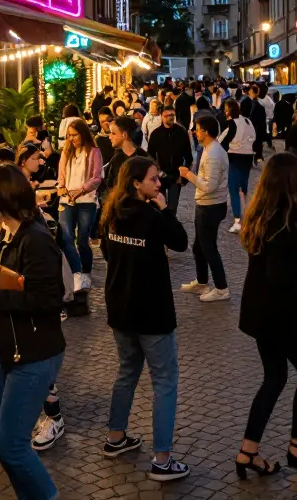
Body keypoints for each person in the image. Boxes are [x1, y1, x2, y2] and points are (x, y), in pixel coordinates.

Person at [0, 165, 66, 500]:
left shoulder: (36, 239)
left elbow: (46, 299)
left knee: (11, 445)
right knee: (7, 444)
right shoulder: (12, 235)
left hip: (34, 352)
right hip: (13, 349)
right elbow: (18, 279)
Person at [235, 152, 297, 480]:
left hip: (260, 313)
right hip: (281, 315)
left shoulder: (261, 214)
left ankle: (249, 451)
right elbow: (281, 276)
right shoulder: (285, 223)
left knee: (275, 379)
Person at [99, 157, 192, 482]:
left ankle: (116, 437)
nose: (159, 183)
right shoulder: (153, 217)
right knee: (165, 379)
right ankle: (162, 459)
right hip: (152, 312)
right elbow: (181, 242)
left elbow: (108, 254)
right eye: (154, 179)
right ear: (137, 183)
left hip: (120, 309)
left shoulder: (111, 213)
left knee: (127, 371)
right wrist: (165, 208)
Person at [179, 116, 231, 302]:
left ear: (206, 132)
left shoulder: (213, 155)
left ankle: (221, 288)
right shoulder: (210, 150)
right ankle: (202, 282)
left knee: (208, 248)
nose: (195, 132)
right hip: (206, 205)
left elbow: (209, 186)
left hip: (210, 207)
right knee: (199, 247)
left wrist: (188, 175)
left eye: (198, 129)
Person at [57, 119, 104, 292]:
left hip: (87, 201)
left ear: (83, 134)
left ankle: (86, 271)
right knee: (66, 236)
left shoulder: (93, 152)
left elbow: (97, 177)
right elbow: (61, 174)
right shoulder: (66, 152)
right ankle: (77, 272)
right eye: (69, 135)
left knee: (83, 239)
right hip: (67, 201)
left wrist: (82, 190)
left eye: (74, 135)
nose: (71, 138)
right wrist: (62, 188)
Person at [218, 99, 256, 234]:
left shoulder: (231, 124)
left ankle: (238, 220)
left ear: (227, 110)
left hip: (235, 157)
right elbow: (254, 137)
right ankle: (245, 214)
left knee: (234, 188)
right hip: (248, 157)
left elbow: (220, 142)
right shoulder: (247, 121)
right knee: (243, 187)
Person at [146, 105, 193, 215]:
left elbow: (189, 157)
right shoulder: (156, 134)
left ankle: (170, 229)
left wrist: (183, 177)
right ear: (162, 116)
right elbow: (150, 156)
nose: (170, 118)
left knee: (172, 209)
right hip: (159, 176)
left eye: (172, 115)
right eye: (167, 116)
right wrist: (155, 173)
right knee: (159, 207)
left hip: (176, 177)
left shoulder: (182, 133)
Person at [105, 116, 148, 192]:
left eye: (113, 133)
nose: (110, 137)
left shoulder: (143, 158)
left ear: (124, 135)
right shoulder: (116, 159)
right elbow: (110, 186)